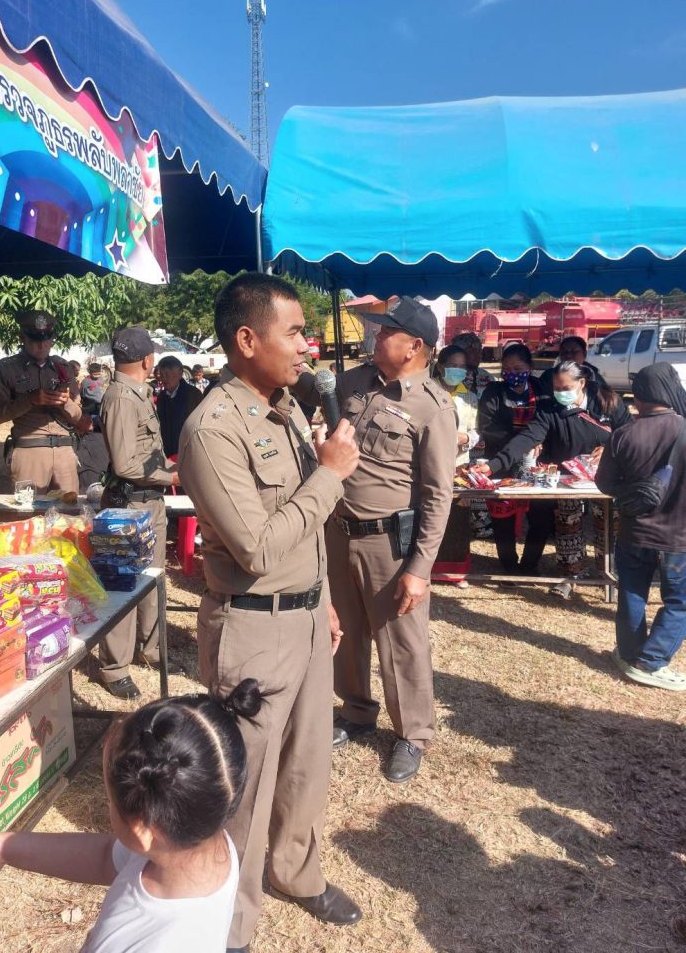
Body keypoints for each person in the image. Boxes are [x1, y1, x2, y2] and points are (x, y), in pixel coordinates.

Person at [178, 273, 362, 953]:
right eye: (295, 332)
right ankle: (231, 923)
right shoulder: (212, 430)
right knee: (245, 785)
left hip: (307, 619)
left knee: (307, 764)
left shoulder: (283, 410)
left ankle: (296, 871)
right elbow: (255, 547)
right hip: (253, 627)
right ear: (247, 339)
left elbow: (306, 532)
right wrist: (331, 474)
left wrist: (326, 600)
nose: (308, 346)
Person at [0, 680, 264, 952]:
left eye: (109, 802)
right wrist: (2, 847)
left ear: (143, 830)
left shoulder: (162, 943)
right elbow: (105, 857)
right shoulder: (205, 844)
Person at [304, 298, 457, 785]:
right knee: (345, 631)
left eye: (386, 332)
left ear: (414, 346)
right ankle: (356, 711)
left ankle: (412, 732)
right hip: (338, 532)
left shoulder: (433, 407)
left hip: (388, 545)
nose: (375, 337)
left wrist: (419, 569)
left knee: (401, 643)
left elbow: (438, 495)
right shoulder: (354, 382)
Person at [478, 361, 630, 595]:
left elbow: (630, 434)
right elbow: (526, 438)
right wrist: (493, 465)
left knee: (608, 525)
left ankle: (610, 575)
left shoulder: (609, 402)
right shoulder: (550, 409)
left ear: (582, 383)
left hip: (607, 477)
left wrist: (611, 449)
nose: (560, 393)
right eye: (556, 388)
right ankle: (570, 576)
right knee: (568, 525)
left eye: (565, 388)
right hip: (567, 478)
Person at [98, 328, 178, 700]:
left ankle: (151, 647)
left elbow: (145, 455)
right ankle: (115, 667)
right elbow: (125, 464)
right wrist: (172, 476)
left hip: (150, 501)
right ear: (148, 360)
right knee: (123, 585)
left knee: (151, 579)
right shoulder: (121, 398)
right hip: (130, 505)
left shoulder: (136, 393)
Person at [596, 363, 686, 691]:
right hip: (678, 536)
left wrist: (633, 493)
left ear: (640, 396)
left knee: (632, 594)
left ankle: (629, 654)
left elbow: (604, 483)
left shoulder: (623, 434)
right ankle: (650, 662)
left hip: (634, 531)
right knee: (679, 601)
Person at [0, 310, 88, 493]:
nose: (42, 345)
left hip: (64, 452)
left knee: (70, 509)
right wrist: (29, 400)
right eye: (35, 339)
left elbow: (79, 417)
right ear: (23, 338)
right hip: (29, 452)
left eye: (46, 339)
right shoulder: (6, 368)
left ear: (52, 338)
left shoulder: (63, 368)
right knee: (29, 509)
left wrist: (65, 403)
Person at [477, 344, 548, 574]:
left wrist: (539, 440)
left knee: (540, 515)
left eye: (517, 368)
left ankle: (530, 564)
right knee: (503, 516)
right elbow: (488, 426)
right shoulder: (493, 392)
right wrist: (523, 442)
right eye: (507, 368)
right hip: (501, 462)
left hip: (536, 463)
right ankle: (508, 564)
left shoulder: (542, 389)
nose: (512, 373)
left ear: (530, 367)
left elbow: (550, 420)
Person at [430, 344, 480, 589]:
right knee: (431, 516)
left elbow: (477, 431)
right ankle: (428, 569)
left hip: (459, 466)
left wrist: (466, 438)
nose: (458, 371)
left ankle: (455, 572)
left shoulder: (469, 397)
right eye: (453, 366)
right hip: (430, 465)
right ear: (440, 366)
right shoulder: (427, 392)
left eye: (462, 367)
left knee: (457, 518)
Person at [155, 356, 203, 459]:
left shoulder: (193, 394)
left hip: (189, 451)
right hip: (168, 452)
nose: (164, 378)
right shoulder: (161, 397)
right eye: (162, 374)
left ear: (180, 373)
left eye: (167, 374)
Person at [540, 335, 605, 391]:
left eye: (574, 351)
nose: (569, 355)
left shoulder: (594, 378)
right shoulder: (548, 376)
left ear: (584, 354)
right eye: (565, 352)